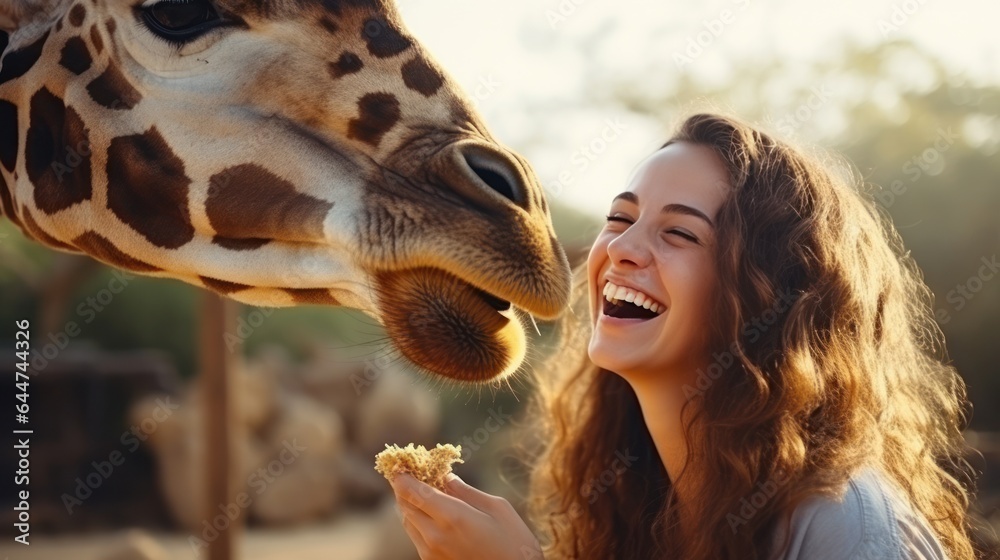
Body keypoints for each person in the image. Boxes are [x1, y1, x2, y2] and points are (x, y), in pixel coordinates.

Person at [387, 113, 977, 559]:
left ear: (768, 295)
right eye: (619, 219)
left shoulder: (841, 525)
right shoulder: (640, 506)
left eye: (680, 234)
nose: (619, 248)